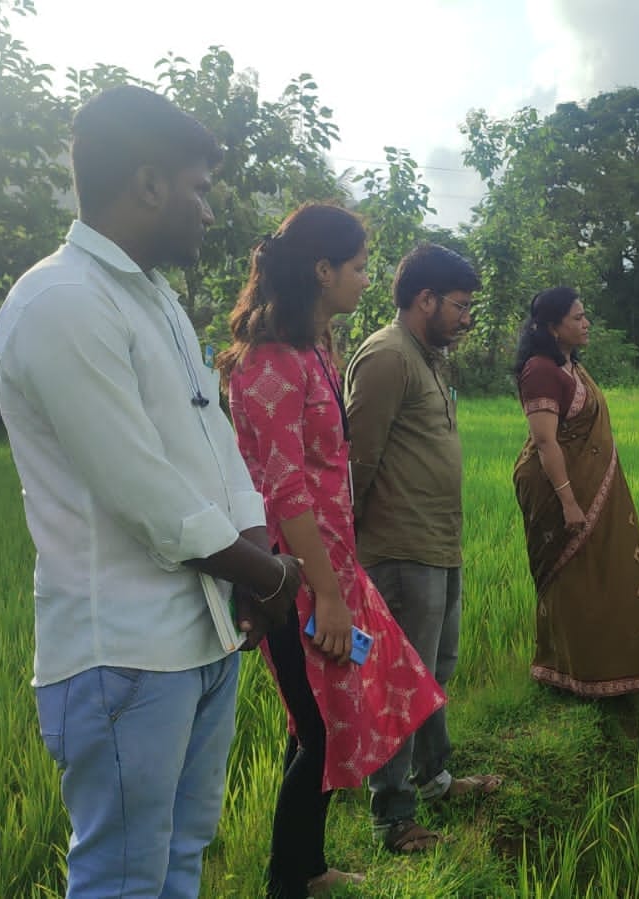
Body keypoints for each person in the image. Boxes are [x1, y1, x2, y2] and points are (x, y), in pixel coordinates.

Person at [0, 85, 303, 898]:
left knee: (179, 857)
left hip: (201, 637)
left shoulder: (154, 299)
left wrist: (258, 546)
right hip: (122, 651)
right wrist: (265, 576)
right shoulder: (62, 301)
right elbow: (138, 484)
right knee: (123, 877)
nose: (207, 213)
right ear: (150, 182)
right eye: (198, 189)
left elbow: (214, 442)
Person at [218, 204, 447, 896]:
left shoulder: (315, 348)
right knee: (317, 727)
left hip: (331, 568)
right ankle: (289, 881)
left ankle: (305, 868)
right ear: (322, 271)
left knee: (318, 720)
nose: (364, 278)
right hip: (290, 576)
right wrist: (323, 593)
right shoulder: (268, 365)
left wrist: (338, 584)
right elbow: (285, 492)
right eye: (356, 266)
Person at [344, 243, 500, 852]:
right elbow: (357, 461)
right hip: (400, 548)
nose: (467, 318)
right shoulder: (386, 357)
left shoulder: (429, 356)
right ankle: (393, 816)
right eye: (460, 306)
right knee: (396, 683)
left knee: (432, 674)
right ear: (425, 300)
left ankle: (434, 779)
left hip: (438, 542)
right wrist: (347, 557)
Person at [513, 287, 639, 695]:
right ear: (551, 326)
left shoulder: (572, 367)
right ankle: (569, 673)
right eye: (577, 318)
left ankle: (615, 670)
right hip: (557, 488)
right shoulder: (541, 370)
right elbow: (546, 443)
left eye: (585, 316)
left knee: (610, 570)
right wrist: (568, 502)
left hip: (592, 483)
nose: (586, 324)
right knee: (574, 580)